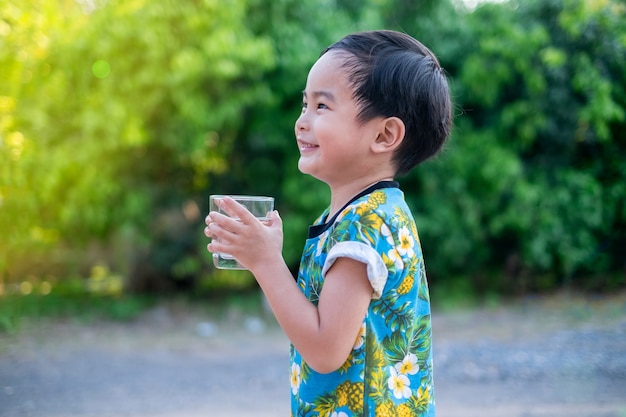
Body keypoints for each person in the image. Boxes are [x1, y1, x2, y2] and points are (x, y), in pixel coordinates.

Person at [205, 30, 452, 417]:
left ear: (385, 134)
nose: (301, 122)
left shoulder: (365, 225)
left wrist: (266, 263)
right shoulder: (355, 215)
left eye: (322, 106)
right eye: (305, 104)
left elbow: (324, 350)